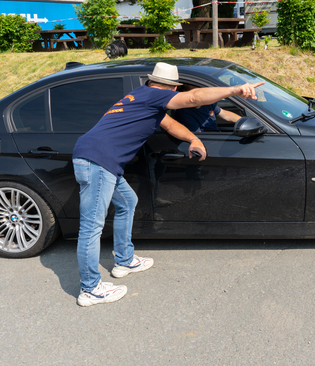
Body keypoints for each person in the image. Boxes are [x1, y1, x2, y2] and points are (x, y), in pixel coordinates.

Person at [72, 62, 264, 307]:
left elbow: (171, 125)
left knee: (127, 201)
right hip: (97, 161)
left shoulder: (142, 96)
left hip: (100, 160)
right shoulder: (154, 96)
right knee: (91, 227)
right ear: (173, 88)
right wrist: (234, 90)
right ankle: (90, 289)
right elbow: (194, 97)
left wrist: (194, 138)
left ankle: (124, 260)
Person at [172, 84, 242, 132]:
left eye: (199, 92)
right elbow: (199, 136)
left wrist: (243, 121)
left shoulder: (206, 103)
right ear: (185, 94)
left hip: (217, 135)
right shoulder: (185, 114)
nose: (198, 95)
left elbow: (226, 115)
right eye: (194, 94)